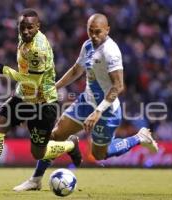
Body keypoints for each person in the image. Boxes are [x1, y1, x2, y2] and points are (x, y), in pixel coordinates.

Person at [13, 13, 159, 191]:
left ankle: (139, 137)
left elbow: (119, 86)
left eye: (98, 32)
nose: (94, 36)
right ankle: (35, 179)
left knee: (100, 154)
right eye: (91, 31)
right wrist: (54, 87)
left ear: (107, 30)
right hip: (85, 102)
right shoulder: (88, 45)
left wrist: (98, 112)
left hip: (106, 111)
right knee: (55, 136)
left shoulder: (110, 51)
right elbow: (76, 70)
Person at [0, 9, 82, 194]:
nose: (26, 31)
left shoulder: (38, 50)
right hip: (23, 97)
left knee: (38, 153)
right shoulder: (23, 39)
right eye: (22, 27)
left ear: (38, 27)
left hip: (43, 103)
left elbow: (33, 82)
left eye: (30, 27)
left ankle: (71, 144)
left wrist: (4, 70)